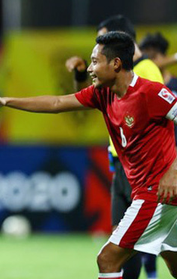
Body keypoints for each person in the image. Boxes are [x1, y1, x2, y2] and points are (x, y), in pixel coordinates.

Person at [0, 31, 177, 279]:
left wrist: (173, 171)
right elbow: (57, 103)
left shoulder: (150, 93)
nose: (90, 68)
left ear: (115, 63)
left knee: (107, 259)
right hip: (155, 193)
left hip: (156, 192)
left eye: (95, 61)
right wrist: (5, 100)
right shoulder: (103, 94)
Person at [65, 15, 162, 279]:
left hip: (144, 169)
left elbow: (167, 119)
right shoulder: (110, 80)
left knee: (122, 247)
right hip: (121, 165)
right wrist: (79, 74)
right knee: (125, 240)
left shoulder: (145, 71)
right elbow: (85, 97)